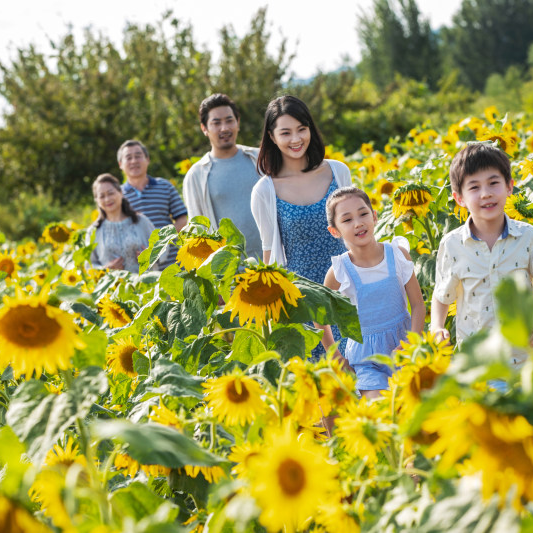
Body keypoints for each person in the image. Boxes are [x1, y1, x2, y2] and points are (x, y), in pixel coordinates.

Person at [430, 143, 533, 368]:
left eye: (493, 183)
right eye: (474, 187)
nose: (486, 194)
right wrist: (437, 327)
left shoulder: (530, 237)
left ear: (509, 187)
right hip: (478, 367)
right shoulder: (452, 244)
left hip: (525, 363)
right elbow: (441, 295)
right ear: (459, 198)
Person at [250, 95, 351, 358]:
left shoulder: (338, 172)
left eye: (301, 129)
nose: (296, 139)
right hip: (301, 304)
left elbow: (355, 231)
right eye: (285, 132)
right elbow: (269, 255)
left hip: (347, 292)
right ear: (272, 137)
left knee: (364, 377)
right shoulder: (265, 190)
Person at [321, 187, 425, 398]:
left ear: (374, 216)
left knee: (413, 409)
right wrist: (335, 355)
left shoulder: (397, 254)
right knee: (378, 410)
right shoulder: (339, 270)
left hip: (405, 348)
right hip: (366, 359)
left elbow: (418, 305)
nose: (358, 223)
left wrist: (413, 341)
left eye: (363, 214)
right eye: (347, 219)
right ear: (335, 231)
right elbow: (319, 314)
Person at [182, 93, 263, 258]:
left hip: (274, 263)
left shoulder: (260, 159)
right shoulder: (196, 176)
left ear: (238, 122)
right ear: (204, 129)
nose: (224, 128)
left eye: (229, 120)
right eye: (216, 123)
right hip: (228, 270)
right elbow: (197, 231)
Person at [118, 140, 188, 268]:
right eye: (128, 158)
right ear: (120, 164)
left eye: (138, 156)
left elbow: (182, 220)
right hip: (137, 270)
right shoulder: (117, 196)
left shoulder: (165, 186)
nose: (134, 161)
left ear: (147, 159)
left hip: (173, 265)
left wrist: (159, 243)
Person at [89, 173, 157, 273]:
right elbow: (89, 266)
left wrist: (151, 256)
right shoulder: (93, 231)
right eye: (102, 196)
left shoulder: (141, 221)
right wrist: (106, 270)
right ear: (97, 200)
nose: (107, 199)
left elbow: (162, 248)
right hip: (113, 288)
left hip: (147, 285)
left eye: (111, 193)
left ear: (120, 193)